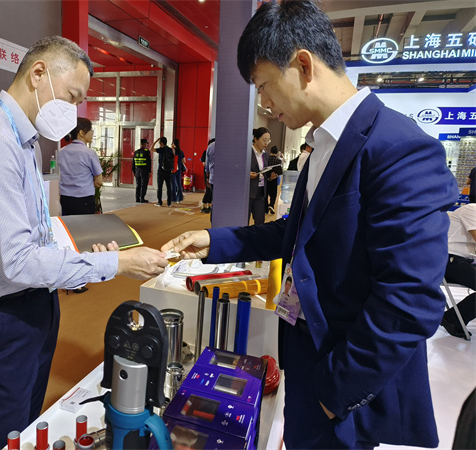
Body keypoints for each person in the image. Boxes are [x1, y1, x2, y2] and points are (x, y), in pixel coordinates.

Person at [161, 2, 457, 449]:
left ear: (303, 65)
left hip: (340, 383)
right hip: (306, 361)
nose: (264, 103)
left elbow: (410, 299)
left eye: (264, 85)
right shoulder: (322, 144)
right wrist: (211, 240)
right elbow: (295, 233)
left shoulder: (398, 147)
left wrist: (333, 394)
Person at [0, 36, 168, 449]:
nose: (73, 110)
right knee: (3, 435)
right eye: (72, 96)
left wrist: (79, 258)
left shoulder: (22, 140)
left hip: (32, 304)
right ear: (39, 73)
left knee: (27, 427)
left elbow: (33, 233)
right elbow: (17, 260)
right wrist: (117, 265)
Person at [441, 203, 476, 338]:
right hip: (448, 260)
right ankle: (452, 319)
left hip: (461, 261)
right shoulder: (472, 209)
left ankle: (454, 318)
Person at [58, 117, 102, 215]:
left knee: (68, 224)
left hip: (65, 199)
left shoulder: (61, 152)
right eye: (91, 130)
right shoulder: (89, 153)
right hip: (84, 200)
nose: (92, 133)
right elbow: (99, 181)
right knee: (84, 224)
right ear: (82, 133)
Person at [249, 127, 276, 225]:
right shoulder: (247, 152)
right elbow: (238, 169)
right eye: (264, 140)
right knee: (244, 220)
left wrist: (270, 177)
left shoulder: (265, 155)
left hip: (260, 191)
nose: (266, 143)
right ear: (256, 139)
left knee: (260, 220)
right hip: (248, 191)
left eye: (268, 141)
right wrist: (247, 174)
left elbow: (264, 172)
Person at [152, 137, 174, 207]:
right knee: (169, 187)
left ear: (161, 143)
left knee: (160, 187)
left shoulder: (161, 150)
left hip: (161, 171)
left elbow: (151, 149)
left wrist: (155, 141)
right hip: (168, 171)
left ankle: (160, 202)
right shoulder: (170, 150)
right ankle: (169, 203)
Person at [132, 138, 151, 203]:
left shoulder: (136, 152)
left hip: (137, 170)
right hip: (144, 170)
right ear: (145, 144)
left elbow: (133, 163)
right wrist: (149, 171)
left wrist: (134, 171)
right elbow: (149, 163)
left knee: (138, 184)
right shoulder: (147, 152)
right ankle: (142, 198)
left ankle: (137, 198)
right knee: (144, 184)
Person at [266, 145, 283, 215]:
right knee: (273, 194)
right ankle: (271, 205)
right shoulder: (278, 160)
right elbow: (280, 172)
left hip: (266, 178)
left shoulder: (266, 159)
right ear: (277, 152)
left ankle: (265, 208)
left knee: (265, 193)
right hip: (274, 179)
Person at [200, 138, 215, 213]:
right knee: (208, 190)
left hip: (210, 174)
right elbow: (204, 164)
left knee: (210, 192)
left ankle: (208, 206)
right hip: (208, 173)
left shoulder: (209, 149)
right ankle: (204, 205)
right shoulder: (205, 152)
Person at [171, 139, 186, 204]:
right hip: (179, 170)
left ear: (173, 144)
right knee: (179, 185)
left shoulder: (172, 151)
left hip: (173, 170)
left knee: (173, 185)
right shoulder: (181, 152)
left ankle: (173, 199)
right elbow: (184, 161)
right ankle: (179, 198)